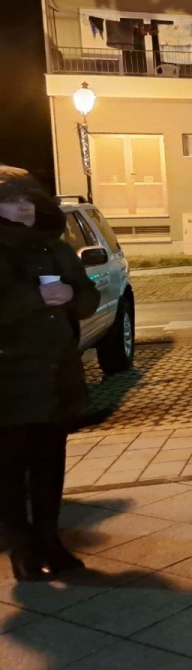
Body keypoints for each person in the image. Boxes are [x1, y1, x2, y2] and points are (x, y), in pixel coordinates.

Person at [0, 167, 100, 580]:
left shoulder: (54, 248)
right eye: (11, 200)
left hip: (56, 373)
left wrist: (74, 295)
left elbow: (89, 297)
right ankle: (22, 549)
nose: (22, 208)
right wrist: (35, 298)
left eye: (28, 200)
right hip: (9, 377)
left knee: (49, 463)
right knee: (9, 469)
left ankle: (49, 540)